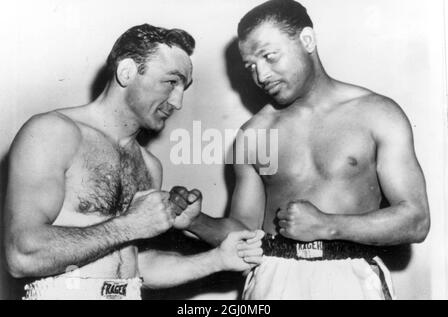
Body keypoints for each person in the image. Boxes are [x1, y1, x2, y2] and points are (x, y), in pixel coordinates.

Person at [170, 0, 430, 300]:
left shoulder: (377, 114)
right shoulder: (254, 134)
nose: (262, 75)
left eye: (269, 56)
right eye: (251, 66)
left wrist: (329, 226)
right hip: (273, 277)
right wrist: (196, 222)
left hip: (352, 278)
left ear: (307, 40)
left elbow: (416, 220)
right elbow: (245, 232)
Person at [3, 23, 264, 300]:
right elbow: (21, 254)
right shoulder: (53, 132)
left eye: (183, 88)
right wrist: (131, 224)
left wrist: (218, 259)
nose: (177, 102)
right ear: (127, 72)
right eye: (171, 82)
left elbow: (135, 267)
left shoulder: (150, 165)